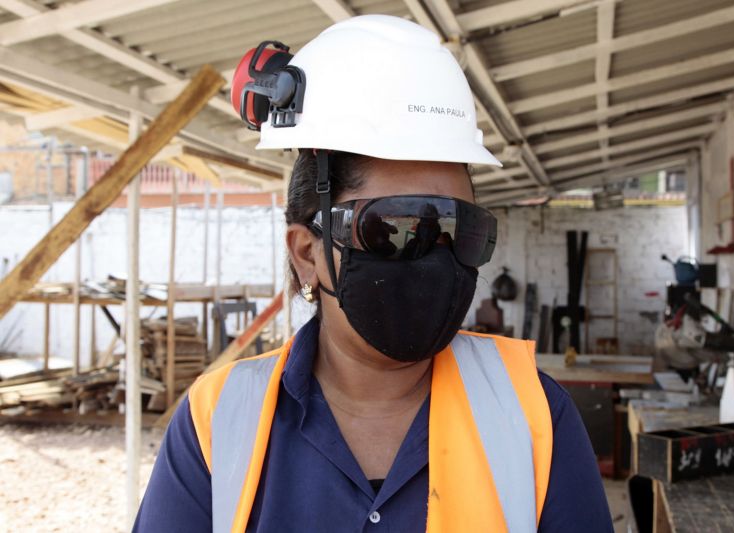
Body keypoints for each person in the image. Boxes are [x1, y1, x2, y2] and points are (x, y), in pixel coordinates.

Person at [135, 14, 612, 533]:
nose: (435, 257)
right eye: (396, 226)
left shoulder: (535, 416)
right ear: (307, 253)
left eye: (462, 228)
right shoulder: (217, 421)